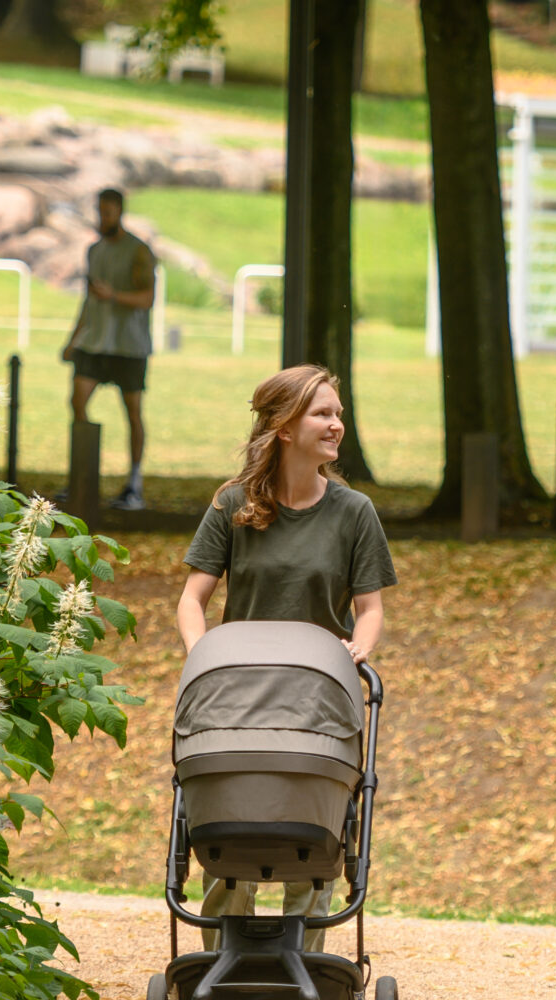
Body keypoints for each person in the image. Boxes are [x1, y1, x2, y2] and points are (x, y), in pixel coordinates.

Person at [176, 364, 398, 952]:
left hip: (317, 698)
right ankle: (222, 954)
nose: (337, 425)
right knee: (234, 824)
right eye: (323, 414)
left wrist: (359, 646)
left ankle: (309, 958)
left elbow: (369, 609)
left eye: (339, 414)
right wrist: (204, 660)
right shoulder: (233, 504)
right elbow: (192, 600)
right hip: (237, 698)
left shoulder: (354, 513)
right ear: (282, 427)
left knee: (313, 833)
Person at [62, 187, 157, 511]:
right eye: (99, 211)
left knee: (132, 413)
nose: (103, 217)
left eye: (108, 212)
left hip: (129, 346)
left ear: (119, 212)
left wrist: (113, 295)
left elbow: (146, 299)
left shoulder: (139, 251)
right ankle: (81, 477)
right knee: (77, 401)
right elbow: (88, 300)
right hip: (95, 342)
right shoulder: (94, 251)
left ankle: (134, 483)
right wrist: (73, 339)